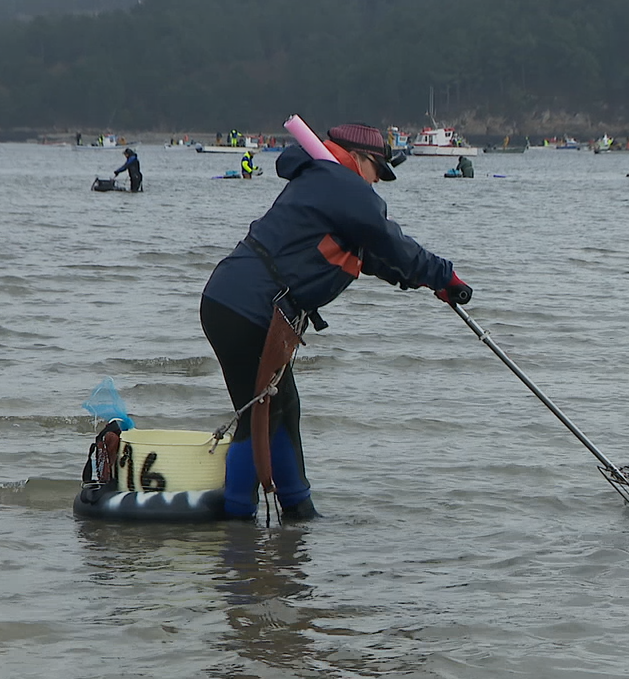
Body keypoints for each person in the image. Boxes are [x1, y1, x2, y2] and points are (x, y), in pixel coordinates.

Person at [200, 122, 473, 522]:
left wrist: (428, 282)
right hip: (247, 308)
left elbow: (376, 256)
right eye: (378, 171)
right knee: (263, 410)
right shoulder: (342, 184)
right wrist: (446, 274)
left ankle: (296, 509)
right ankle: (240, 514)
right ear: (359, 158)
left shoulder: (325, 183)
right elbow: (391, 241)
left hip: (233, 302)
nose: (377, 183)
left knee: (281, 407)